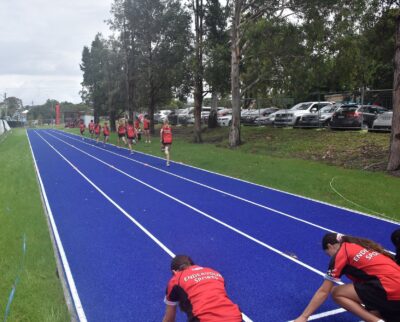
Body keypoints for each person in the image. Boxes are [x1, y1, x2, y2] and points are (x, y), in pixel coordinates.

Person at [294, 233, 400, 322]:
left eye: (328, 254)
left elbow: (324, 291)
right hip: (393, 287)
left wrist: (304, 317)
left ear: (330, 246)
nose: (330, 257)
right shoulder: (360, 245)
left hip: (390, 289)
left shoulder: (341, 255)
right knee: (370, 304)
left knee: (337, 292)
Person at [162, 255, 242, 322]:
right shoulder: (214, 272)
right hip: (235, 317)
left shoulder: (176, 279)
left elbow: (169, 319)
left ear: (174, 272)